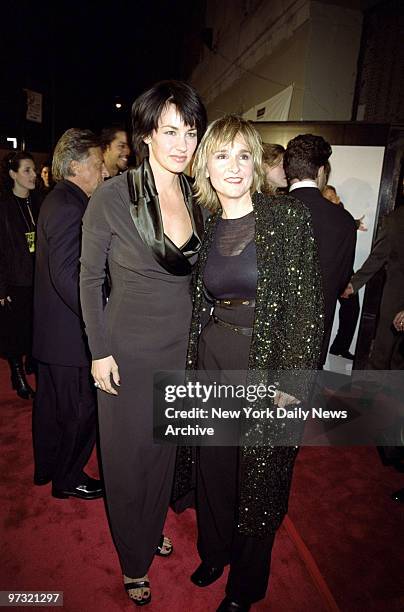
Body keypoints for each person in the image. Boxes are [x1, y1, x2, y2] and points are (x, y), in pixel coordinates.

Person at [173, 115, 324, 612]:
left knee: (258, 476)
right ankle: (214, 553)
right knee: (214, 465)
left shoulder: (286, 219)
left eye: (242, 155)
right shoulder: (207, 224)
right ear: (206, 167)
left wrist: (294, 383)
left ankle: (245, 585)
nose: (233, 167)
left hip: (265, 362)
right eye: (221, 156)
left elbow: (308, 309)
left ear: (256, 163)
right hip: (214, 357)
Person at [80, 80, 207, 606]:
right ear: (146, 136)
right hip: (126, 351)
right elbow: (88, 278)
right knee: (128, 457)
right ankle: (134, 558)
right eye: (169, 130)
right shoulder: (113, 195)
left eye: (190, 132)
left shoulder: (199, 197)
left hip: (181, 349)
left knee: (163, 451)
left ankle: (150, 524)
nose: (181, 143)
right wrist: (99, 351)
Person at [32, 128, 104, 500]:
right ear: (75, 165)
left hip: (53, 336)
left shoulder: (58, 200)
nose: (104, 172)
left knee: (51, 412)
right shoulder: (69, 206)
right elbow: (67, 276)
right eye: (98, 164)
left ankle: (47, 470)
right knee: (79, 413)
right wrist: (99, 317)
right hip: (68, 339)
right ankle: (67, 478)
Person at [283, 134, 357, 365]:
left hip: (260, 334)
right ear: (322, 170)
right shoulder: (344, 221)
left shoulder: (266, 211)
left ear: (288, 170)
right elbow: (343, 279)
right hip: (312, 339)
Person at [0, 151, 39, 399]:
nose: (33, 175)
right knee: (15, 330)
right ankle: (17, 373)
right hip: (15, 279)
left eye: (34, 169)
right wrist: (1, 288)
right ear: (13, 174)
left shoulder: (39, 201)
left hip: (38, 276)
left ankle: (31, 360)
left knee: (35, 325)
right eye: (27, 170)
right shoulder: (4, 207)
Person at [321, 184, 362, 360]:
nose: (332, 200)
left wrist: (354, 223)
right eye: (327, 198)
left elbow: (343, 224)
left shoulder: (342, 215)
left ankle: (339, 347)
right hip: (327, 270)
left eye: (334, 197)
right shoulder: (320, 215)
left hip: (344, 269)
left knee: (352, 309)